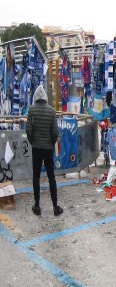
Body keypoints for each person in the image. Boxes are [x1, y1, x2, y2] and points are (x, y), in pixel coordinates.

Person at [25, 85, 62, 216]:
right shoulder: (52, 111)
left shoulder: (31, 110)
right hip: (48, 148)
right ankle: (55, 207)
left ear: (35, 97)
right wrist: (51, 144)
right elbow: (55, 132)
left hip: (36, 148)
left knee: (36, 176)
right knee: (51, 177)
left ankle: (37, 205)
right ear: (45, 97)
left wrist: (33, 141)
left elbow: (28, 130)